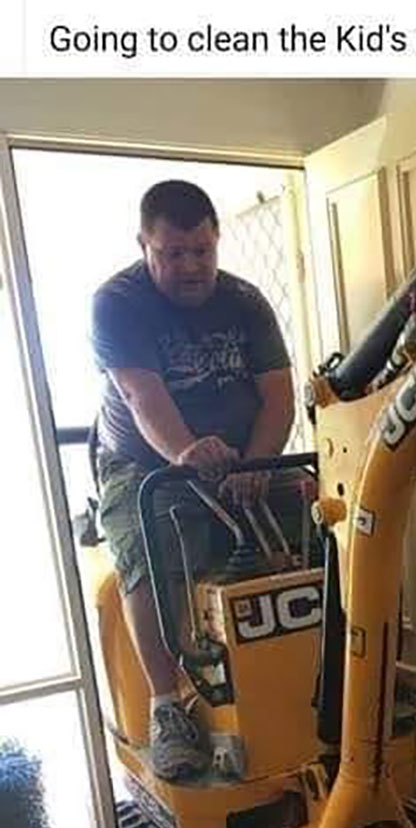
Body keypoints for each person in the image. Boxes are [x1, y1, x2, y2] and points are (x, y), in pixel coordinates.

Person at [91, 179, 295, 780]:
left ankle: (299, 675)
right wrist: (184, 451)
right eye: (173, 253)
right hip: (145, 462)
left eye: (201, 251)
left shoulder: (245, 301)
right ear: (144, 246)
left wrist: (257, 463)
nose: (190, 266)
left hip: (240, 457)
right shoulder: (118, 303)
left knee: (316, 520)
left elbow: (278, 398)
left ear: (216, 240)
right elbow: (140, 395)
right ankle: (166, 707)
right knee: (147, 538)